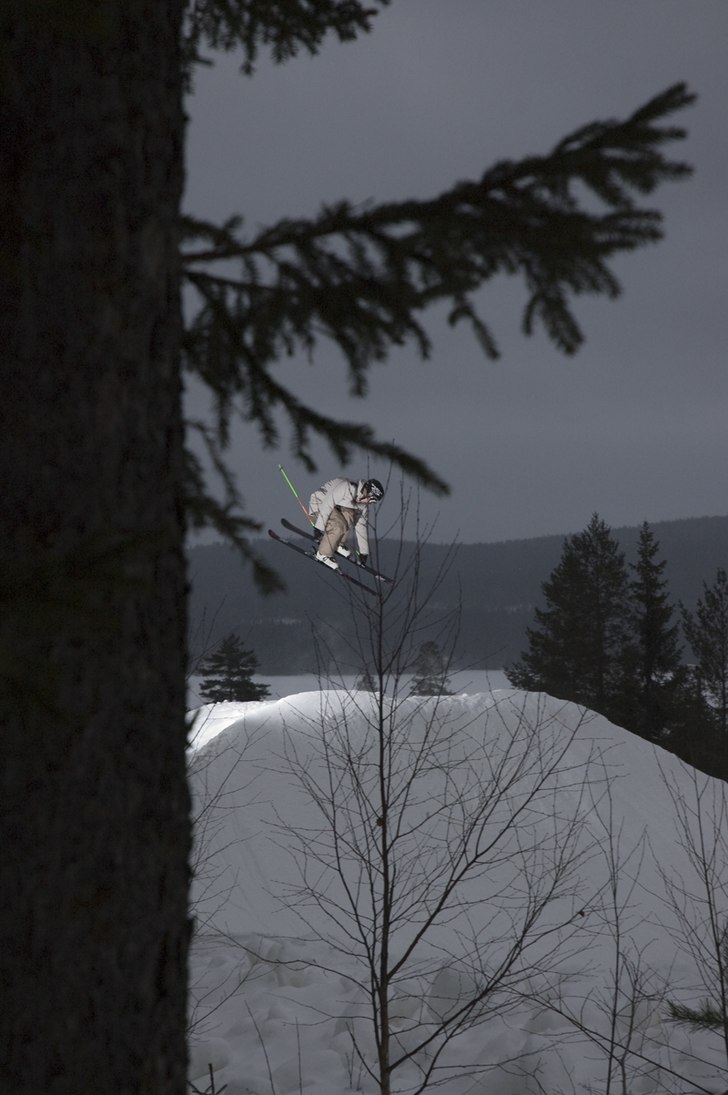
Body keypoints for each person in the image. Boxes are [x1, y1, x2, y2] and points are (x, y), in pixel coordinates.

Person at [307, 477, 385, 570]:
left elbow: (361, 526)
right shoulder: (347, 488)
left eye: (374, 501)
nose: (371, 502)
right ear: (367, 492)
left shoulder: (363, 506)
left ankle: (337, 544)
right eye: (372, 499)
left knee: (350, 516)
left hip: (336, 507)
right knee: (338, 526)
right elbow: (328, 503)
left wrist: (364, 552)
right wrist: (319, 527)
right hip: (320, 502)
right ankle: (323, 554)